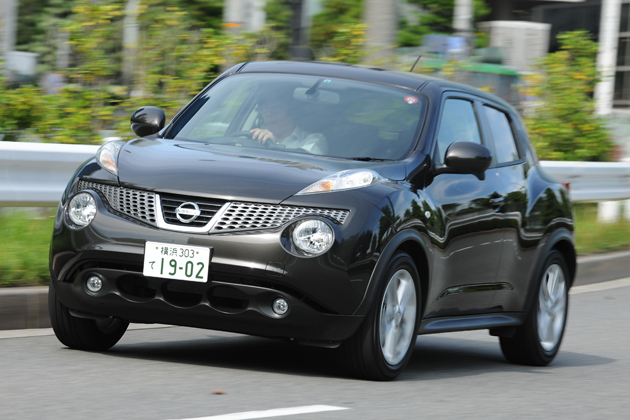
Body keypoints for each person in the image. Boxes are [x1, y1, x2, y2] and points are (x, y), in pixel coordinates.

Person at [250, 86, 328, 155]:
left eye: (275, 108)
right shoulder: (256, 138)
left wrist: (274, 145)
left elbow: (308, 161)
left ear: (292, 113)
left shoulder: (315, 139)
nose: (268, 114)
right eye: (265, 108)